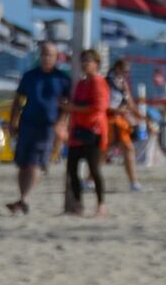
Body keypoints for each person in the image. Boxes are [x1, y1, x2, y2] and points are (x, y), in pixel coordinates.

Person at [7, 41, 71, 214]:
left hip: (47, 125)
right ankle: (22, 196)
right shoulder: (30, 76)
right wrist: (12, 121)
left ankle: (24, 199)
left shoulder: (62, 79)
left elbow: (68, 105)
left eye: (50, 54)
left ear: (56, 57)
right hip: (27, 123)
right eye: (44, 54)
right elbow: (17, 100)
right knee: (22, 163)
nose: (46, 58)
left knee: (35, 162)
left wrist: (61, 122)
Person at [64, 48, 108, 217]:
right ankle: (78, 204)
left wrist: (73, 108)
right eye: (83, 60)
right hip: (78, 131)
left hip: (93, 131)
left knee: (94, 170)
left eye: (88, 61)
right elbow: (76, 104)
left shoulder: (98, 82)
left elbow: (98, 107)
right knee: (72, 169)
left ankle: (101, 204)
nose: (84, 64)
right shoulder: (82, 83)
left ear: (96, 64)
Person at [106, 59, 142, 191]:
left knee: (128, 149)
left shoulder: (123, 83)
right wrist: (117, 110)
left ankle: (134, 182)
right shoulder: (107, 82)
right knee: (103, 151)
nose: (127, 73)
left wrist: (142, 117)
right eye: (124, 70)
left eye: (128, 71)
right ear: (117, 68)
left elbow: (130, 103)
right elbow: (102, 104)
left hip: (120, 121)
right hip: (108, 120)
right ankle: (89, 180)